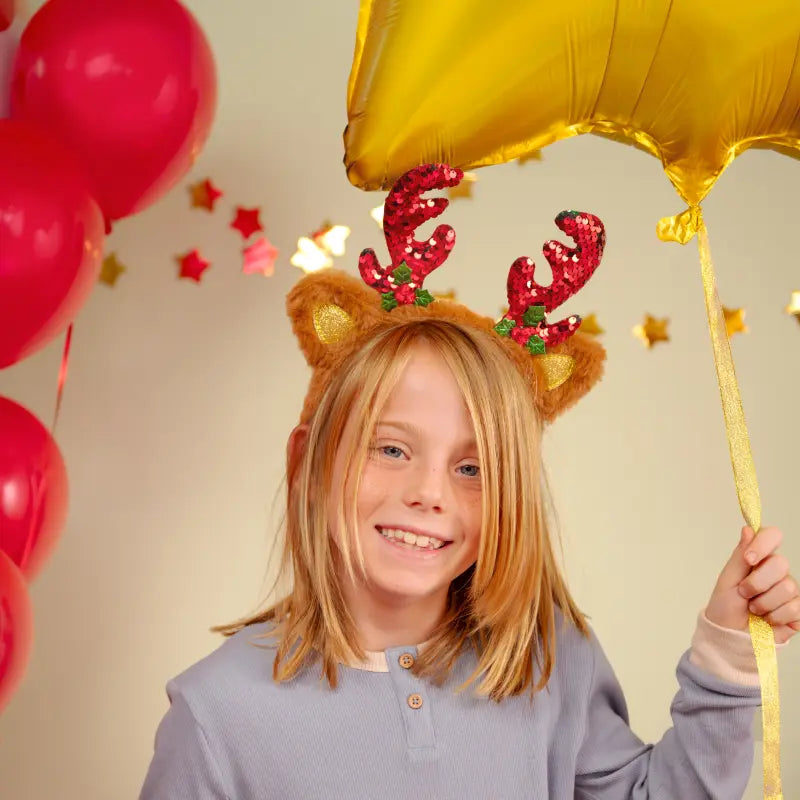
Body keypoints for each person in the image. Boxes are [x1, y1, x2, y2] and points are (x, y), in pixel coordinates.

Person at [139, 165, 798, 800]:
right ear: (307, 465)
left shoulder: (547, 660)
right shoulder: (217, 713)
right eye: (392, 448)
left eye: (472, 468)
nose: (431, 493)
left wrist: (727, 650)